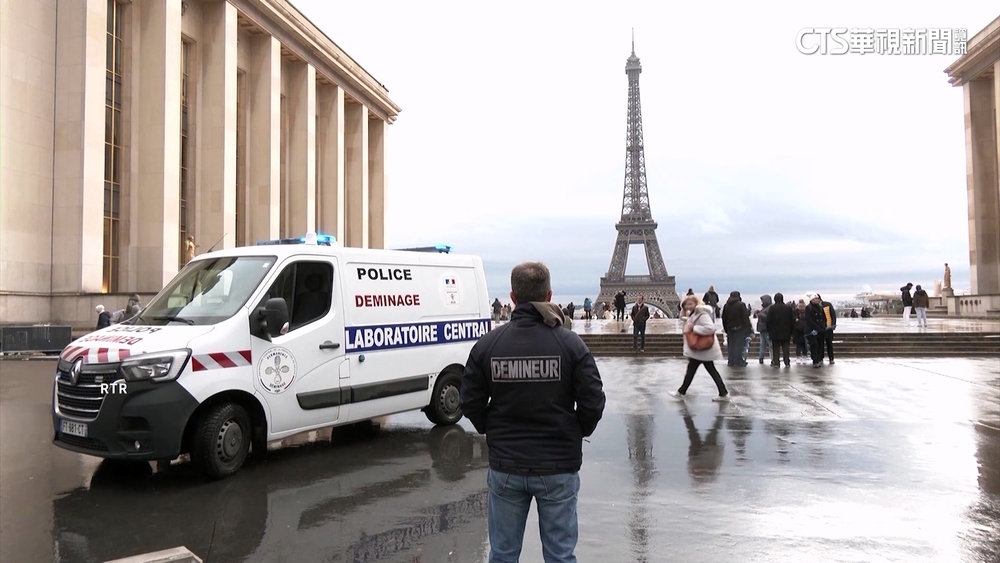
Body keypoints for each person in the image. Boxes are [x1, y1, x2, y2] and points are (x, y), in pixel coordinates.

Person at [460, 261, 606, 563]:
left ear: (512, 297)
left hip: (506, 465)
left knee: (502, 555)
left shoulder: (488, 345)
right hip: (558, 464)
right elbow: (593, 401)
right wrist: (575, 430)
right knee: (560, 555)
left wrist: (492, 427)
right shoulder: (570, 345)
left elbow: (470, 400)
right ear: (549, 294)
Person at [670, 295, 730, 401]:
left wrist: (694, 328)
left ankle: (681, 392)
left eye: (690, 304)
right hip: (701, 349)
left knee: (694, 370)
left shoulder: (702, 314)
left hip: (702, 348)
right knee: (705, 370)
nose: (688, 306)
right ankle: (723, 393)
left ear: (696, 304)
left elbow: (711, 328)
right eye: (686, 304)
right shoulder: (694, 314)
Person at [721, 291, 751, 367]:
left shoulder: (726, 305)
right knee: (739, 345)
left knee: (731, 345)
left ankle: (731, 361)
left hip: (730, 328)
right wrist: (748, 328)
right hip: (740, 328)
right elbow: (745, 317)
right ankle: (738, 361)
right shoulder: (741, 305)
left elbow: (724, 318)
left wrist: (726, 328)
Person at [765, 292, 794, 367]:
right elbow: (792, 320)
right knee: (786, 348)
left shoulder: (772, 308)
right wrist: (791, 331)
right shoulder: (788, 308)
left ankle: (776, 362)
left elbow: (768, 320)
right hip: (786, 332)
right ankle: (787, 362)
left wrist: (769, 331)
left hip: (775, 332)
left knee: (776, 348)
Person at [804, 293, 827, 368]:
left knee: (820, 345)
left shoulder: (820, 307)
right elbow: (809, 319)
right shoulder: (808, 308)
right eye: (815, 299)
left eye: (818, 299)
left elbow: (824, 318)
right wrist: (816, 327)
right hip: (812, 330)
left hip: (820, 330)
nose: (817, 300)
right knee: (814, 345)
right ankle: (815, 360)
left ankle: (819, 359)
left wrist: (823, 326)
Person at [817, 294, 837, 364]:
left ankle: (831, 358)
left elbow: (833, 315)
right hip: (820, 329)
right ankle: (820, 358)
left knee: (829, 344)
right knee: (820, 344)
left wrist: (833, 324)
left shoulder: (827, 304)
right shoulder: (814, 307)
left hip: (828, 328)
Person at [755, 294, 773, 364]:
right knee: (763, 344)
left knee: (768, 344)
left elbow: (768, 318)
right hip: (763, 329)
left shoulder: (769, 308)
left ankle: (772, 358)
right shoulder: (766, 308)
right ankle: (761, 357)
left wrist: (759, 314)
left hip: (766, 329)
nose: (762, 302)